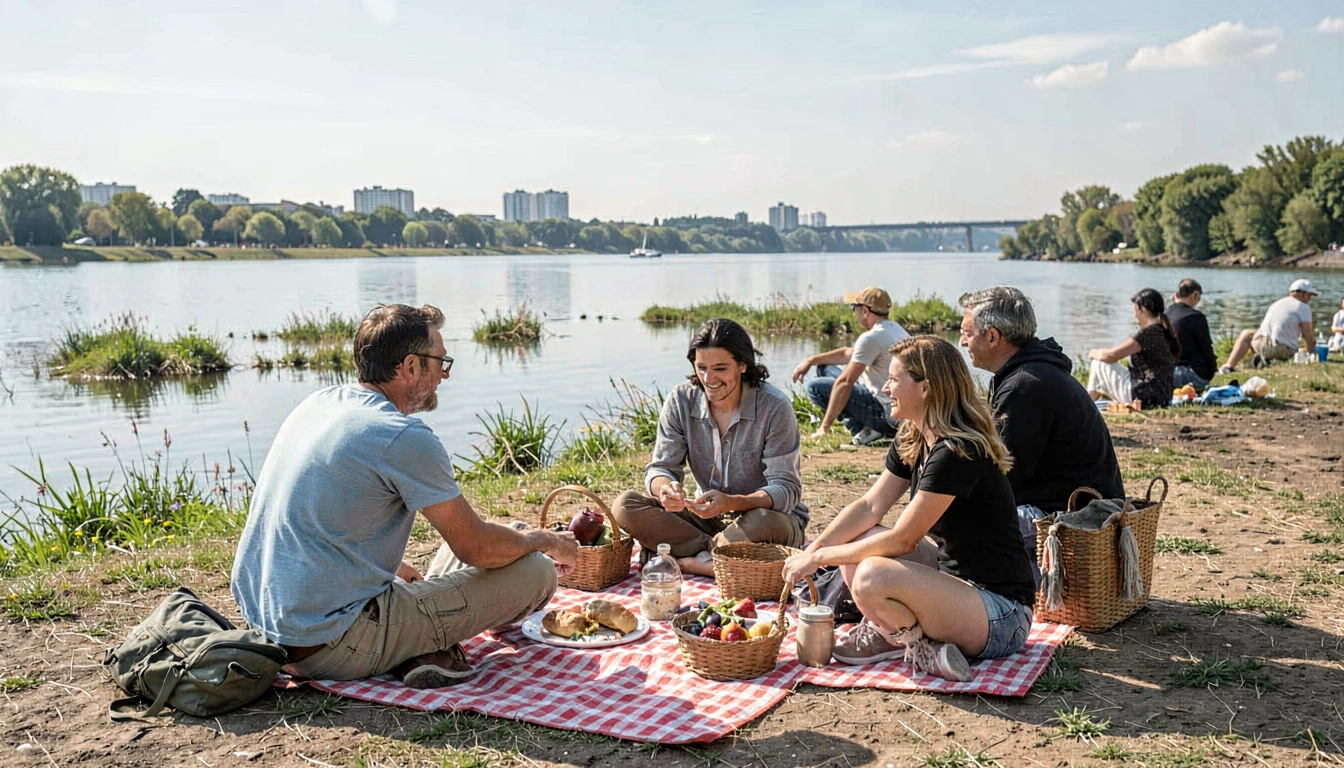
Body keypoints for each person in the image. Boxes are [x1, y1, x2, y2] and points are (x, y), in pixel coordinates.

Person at [231, 304, 577, 688]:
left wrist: (395, 570)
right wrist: (547, 541)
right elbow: (476, 549)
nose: (445, 375)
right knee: (536, 569)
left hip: (267, 626)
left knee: (512, 536)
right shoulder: (400, 436)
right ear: (411, 366)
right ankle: (419, 646)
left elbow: (318, 524)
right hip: (327, 645)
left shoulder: (320, 404)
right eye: (441, 362)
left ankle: (420, 645)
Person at [781, 336, 1035, 681]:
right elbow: (869, 506)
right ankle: (892, 633)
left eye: (893, 379)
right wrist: (814, 550)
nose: (885, 388)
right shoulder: (915, 437)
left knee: (871, 575)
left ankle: (915, 644)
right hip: (955, 585)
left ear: (925, 388)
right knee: (861, 537)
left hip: (1002, 615)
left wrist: (821, 558)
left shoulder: (956, 451)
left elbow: (904, 540)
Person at [612, 318, 807, 577]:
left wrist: (733, 503)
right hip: (704, 518)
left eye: (720, 368)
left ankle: (687, 557)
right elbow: (660, 468)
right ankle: (714, 556)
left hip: (763, 519)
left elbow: (786, 489)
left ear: (743, 365)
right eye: (701, 367)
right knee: (624, 506)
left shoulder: (774, 407)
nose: (708, 378)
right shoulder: (681, 401)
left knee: (764, 522)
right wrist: (665, 489)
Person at [957, 287, 1124, 582]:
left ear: (993, 337)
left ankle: (1009, 590)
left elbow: (1003, 477)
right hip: (1074, 506)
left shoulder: (1024, 387)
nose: (961, 341)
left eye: (967, 333)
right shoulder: (1033, 372)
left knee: (958, 520)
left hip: (1072, 520)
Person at [791, 287, 909, 446]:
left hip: (884, 412)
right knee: (824, 367)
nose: (855, 313)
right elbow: (849, 353)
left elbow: (845, 382)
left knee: (814, 387)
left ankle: (862, 428)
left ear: (865, 311)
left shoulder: (871, 338)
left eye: (855, 309)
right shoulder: (894, 329)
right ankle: (867, 428)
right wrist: (811, 360)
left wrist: (824, 428)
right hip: (895, 405)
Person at [1085, 288, 1180, 410]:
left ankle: (1087, 402)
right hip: (1162, 396)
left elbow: (1112, 356)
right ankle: (1090, 399)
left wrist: (1094, 352)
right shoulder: (1162, 331)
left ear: (1140, 309)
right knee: (1100, 361)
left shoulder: (1148, 333)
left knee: (1099, 362)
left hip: (1145, 396)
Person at [1219, 279, 1318, 372]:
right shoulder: (1303, 307)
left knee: (1246, 334)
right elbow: (1307, 334)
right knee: (1298, 349)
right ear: (1303, 294)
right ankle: (1268, 360)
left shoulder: (1277, 303)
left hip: (1261, 345)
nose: (1309, 299)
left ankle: (1228, 366)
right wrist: (1312, 352)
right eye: (1309, 296)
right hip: (1283, 350)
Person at [1164, 279, 1217, 389]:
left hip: (1166, 372)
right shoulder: (1196, 317)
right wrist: (1211, 371)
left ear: (1175, 295)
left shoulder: (1164, 315)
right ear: (1195, 295)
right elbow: (1206, 348)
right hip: (1188, 374)